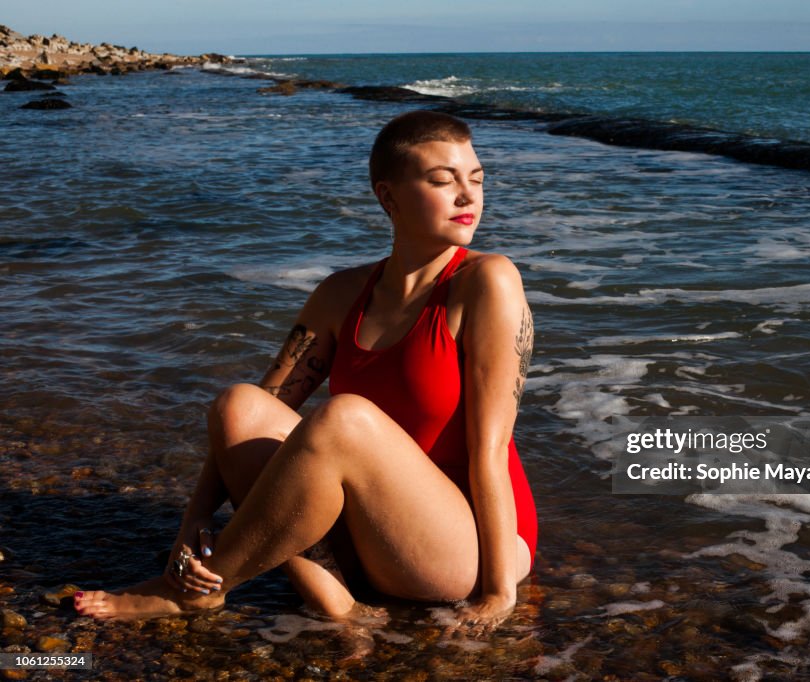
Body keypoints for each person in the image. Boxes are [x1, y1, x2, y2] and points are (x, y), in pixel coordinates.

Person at [74, 110, 538, 629]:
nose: (467, 196)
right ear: (388, 197)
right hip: (373, 539)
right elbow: (253, 420)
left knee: (344, 418)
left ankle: (198, 590)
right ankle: (337, 603)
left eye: (475, 179)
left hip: (461, 550)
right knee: (241, 403)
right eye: (441, 180)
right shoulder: (341, 294)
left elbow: (491, 448)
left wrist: (499, 592)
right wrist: (196, 519)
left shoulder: (487, 281)